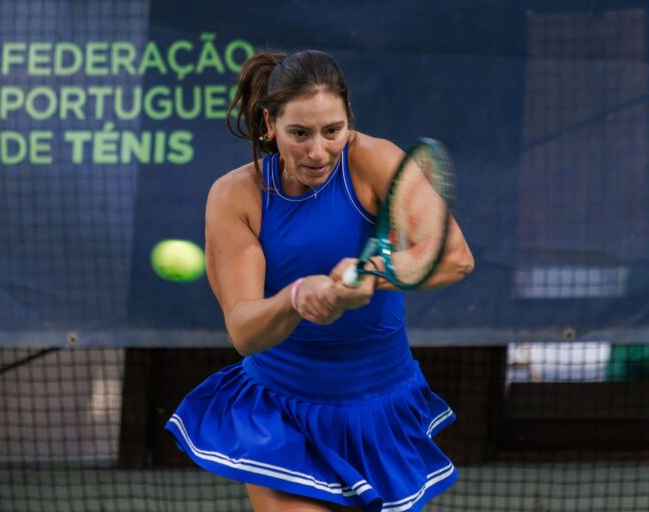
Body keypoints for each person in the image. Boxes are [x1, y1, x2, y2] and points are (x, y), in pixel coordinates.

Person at [165, 49, 474, 512]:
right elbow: (245, 331)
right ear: (269, 124)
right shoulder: (235, 196)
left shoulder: (374, 160)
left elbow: (454, 258)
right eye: (299, 133)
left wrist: (370, 276)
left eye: (332, 131)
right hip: (281, 414)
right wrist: (295, 298)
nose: (318, 150)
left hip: (380, 406)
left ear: (349, 120)